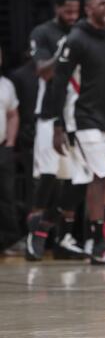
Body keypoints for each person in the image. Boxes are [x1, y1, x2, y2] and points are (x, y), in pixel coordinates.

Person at [43, 0, 105, 265]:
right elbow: (58, 82)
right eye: (101, 3)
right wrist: (57, 124)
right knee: (101, 174)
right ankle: (97, 243)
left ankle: (43, 224)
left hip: (103, 119)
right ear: (88, 9)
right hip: (80, 118)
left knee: (82, 181)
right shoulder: (76, 38)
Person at [25, 0, 89, 261]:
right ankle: (33, 234)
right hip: (50, 113)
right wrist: (64, 50)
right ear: (57, 9)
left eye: (77, 11)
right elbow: (43, 70)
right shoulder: (43, 33)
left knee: (81, 179)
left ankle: (61, 236)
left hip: (79, 115)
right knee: (48, 176)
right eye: (68, 11)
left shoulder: (85, 34)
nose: (73, 16)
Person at [0, 47, 20, 251]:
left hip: (2, 148)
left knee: (6, 195)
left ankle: (11, 240)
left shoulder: (6, 85)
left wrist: (11, 141)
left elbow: (13, 114)